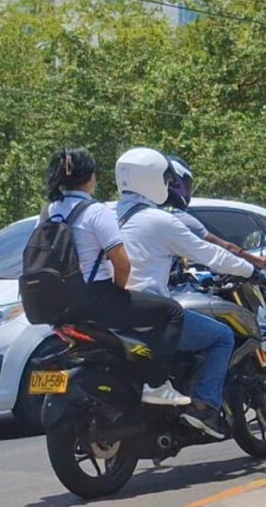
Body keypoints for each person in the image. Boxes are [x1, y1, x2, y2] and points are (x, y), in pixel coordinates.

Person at [114, 147, 257, 439]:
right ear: (153, 179)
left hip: (112, 309)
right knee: (222, 337)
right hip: (151, 312)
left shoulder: (107, 214)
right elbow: (209, 254)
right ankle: (204, 407)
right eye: (165, 179)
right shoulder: (160, 220)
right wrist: (249, 270)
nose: (168, 185)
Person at [42, 147, 190, 406]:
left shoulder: (49, 210)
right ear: (90, 178)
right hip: (95, 300)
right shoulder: (96, 211)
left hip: (58, 304)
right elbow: (122, 264)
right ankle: (156, 384)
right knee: (173, 313)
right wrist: (119, 292)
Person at [164, 155, 266, 271]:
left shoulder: (148, 213)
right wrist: (257, 260)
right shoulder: (176, 217)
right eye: (187, 185)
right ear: (174, 182)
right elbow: (222, 247)